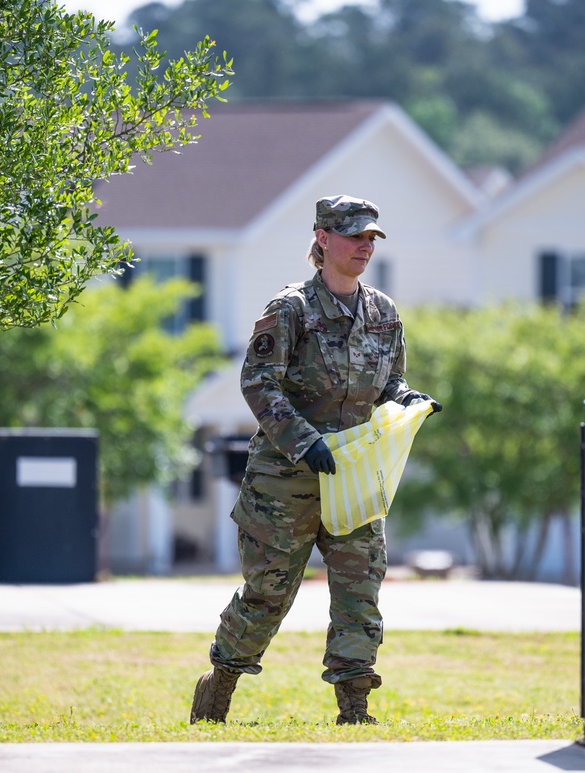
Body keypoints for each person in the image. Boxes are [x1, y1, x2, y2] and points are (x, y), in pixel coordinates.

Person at [190, 195, 441, 726]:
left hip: (353, 475)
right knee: (268, 592)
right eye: (353, 236)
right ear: (323, 239)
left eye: (371, 238)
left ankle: (355, 708)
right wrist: (305, 441)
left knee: (360, 587)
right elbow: (257, 381)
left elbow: (388, 383)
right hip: (285, 479)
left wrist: (409, 400)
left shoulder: (383, 313)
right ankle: (221, 685)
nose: (364, 247)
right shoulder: (291, 309)